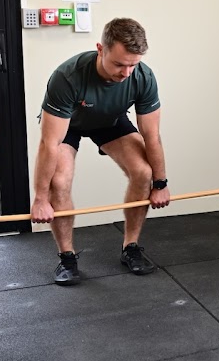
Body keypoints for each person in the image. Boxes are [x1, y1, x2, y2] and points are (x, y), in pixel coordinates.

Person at [30, 17, 170, 286]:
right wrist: (40, 198)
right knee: (59, 180)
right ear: (100, 49)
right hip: (69, 125)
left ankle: (131, 247)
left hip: (110, 121)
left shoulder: (143, 77)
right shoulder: (67, 77)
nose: (126, 72)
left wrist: (161, 183)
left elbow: (151, 135)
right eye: (119, 64)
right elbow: (49, 143)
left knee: (143, 172)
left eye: (133, 64)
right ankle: (67, 257)